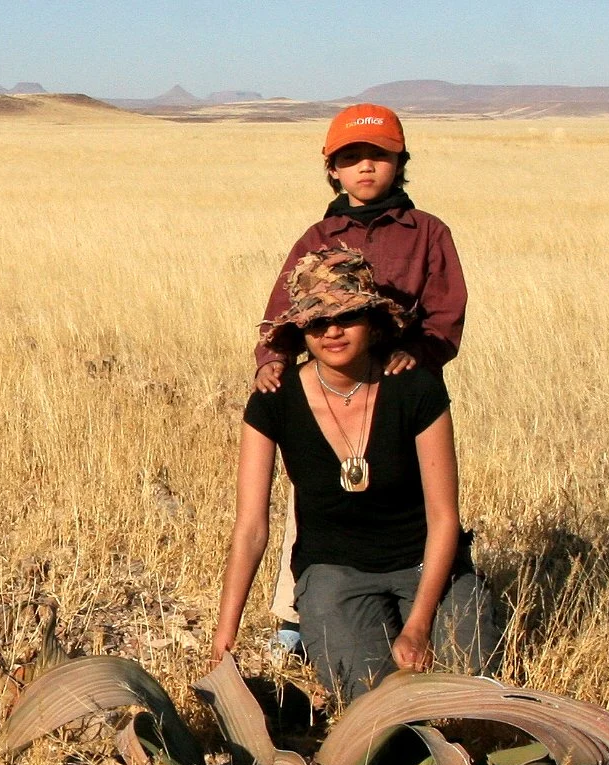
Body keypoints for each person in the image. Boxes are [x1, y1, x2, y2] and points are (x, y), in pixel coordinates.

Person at [212, 247, 499, 703]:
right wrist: (224, 635)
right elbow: (250, 528)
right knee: (372, 701)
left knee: (465, 688)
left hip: (425, 566)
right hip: (335, 573)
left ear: (374, 322)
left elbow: (445, 518)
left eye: (348, 317)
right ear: (299, 331)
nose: (332, 331)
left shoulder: (415, 388)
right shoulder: (274, 398)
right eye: (316, 322)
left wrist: (419, 626)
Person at [255, 104, 470, 655]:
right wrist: (271, 357)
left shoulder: (427, 233)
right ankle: (294, 614)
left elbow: (446, 312)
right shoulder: (317, 236)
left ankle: (426, 591)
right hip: (330, 382)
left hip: (395, 386)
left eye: (378, 156)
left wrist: (416, 355)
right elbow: (286, 307)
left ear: (401, 162)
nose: (366, 168)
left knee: (409, 492)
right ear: (332, 170)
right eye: (351, 159)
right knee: (320, 491)